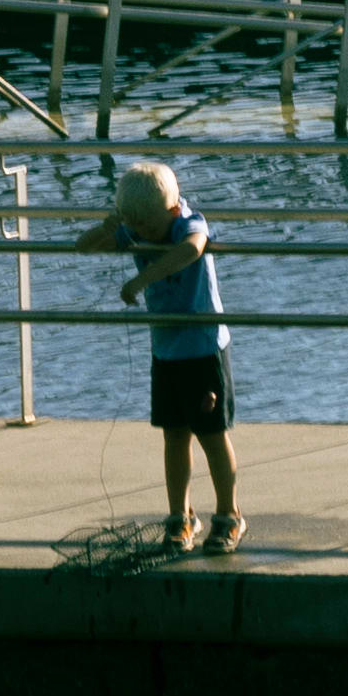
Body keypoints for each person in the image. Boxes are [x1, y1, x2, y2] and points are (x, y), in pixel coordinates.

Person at [94, 159, 243, 552]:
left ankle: (229, 515)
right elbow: (84, 245)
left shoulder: (187, 222)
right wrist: (107, 229)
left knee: (212, 435)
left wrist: (143, 278)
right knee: (174, 435)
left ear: (172, 210)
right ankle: (181, 516)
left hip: (202, 347)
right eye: (136, 228)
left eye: (147, 228)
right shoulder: (140, 223)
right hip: (166, 350)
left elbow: (192, 249)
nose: (141, 235)